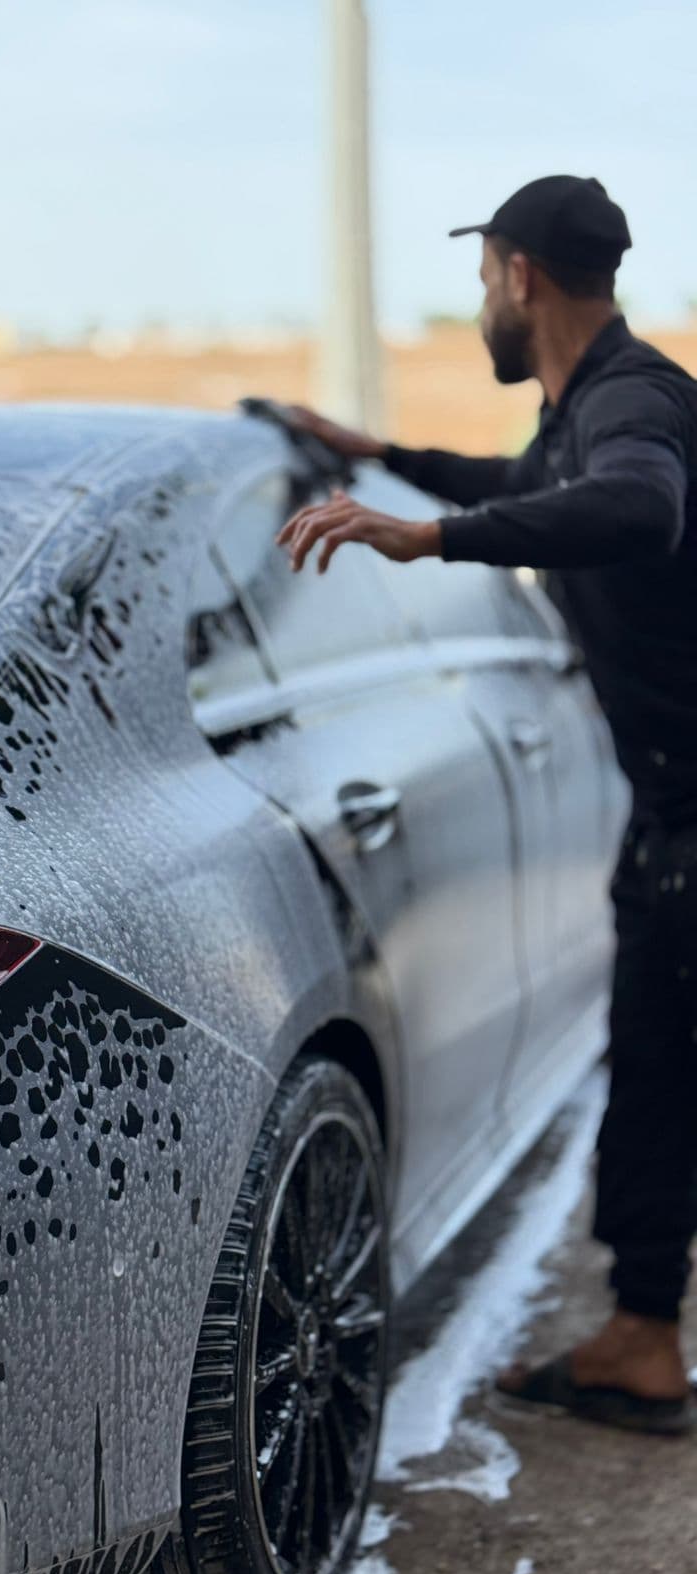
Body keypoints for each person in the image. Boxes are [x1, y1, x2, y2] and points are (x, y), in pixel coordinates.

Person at [272, 174, 697, 1435]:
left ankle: (643, 1334)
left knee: (669, 1065)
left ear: (519, 277)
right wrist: (383, 458)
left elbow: (641, 503)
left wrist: (429, 542)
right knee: (658, 1069)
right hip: (673, 812)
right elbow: (514, 472)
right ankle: (641, 1338)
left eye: (481, 282)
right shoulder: (580, 409)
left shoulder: (630, 406)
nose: (478, 309)